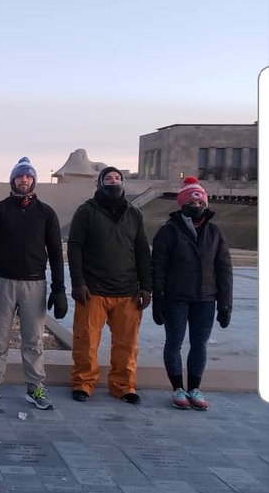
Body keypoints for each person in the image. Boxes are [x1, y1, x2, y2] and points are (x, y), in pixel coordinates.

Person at [0, 157, 67, 416]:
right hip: (3, 281)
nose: (24, 180)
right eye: (19, 176)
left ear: (33, 180)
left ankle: (35, 386)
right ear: (13, 180)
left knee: (33, 340)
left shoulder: (46, 213)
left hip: (34, 283)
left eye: (28, 176)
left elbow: (56, 252)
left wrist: (59, 288)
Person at [68, 166, 152, 404]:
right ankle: (83, 383)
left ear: (123, 183)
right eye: (108, 178)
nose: (113, 182)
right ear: (99, 183)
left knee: (127, 345)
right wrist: (78, 282)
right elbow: (75, 247)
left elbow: (142, 252)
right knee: (86, 342)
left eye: (117, 178)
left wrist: (146, 286)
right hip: (92, 291)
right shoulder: (86, 211)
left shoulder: (134, 214)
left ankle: (123, 385)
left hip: (127, 292)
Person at [151, 176, 233, 410]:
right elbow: (158, 267)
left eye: (199, 203)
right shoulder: (168, 232)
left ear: (205, 204)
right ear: (182, 204)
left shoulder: (215, 233)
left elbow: (224, 269)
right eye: (191, 202)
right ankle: (177, 387)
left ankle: (194, 388)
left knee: (200, 344)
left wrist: (226, 303)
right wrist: (159, 298)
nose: (196, 207)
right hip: (176, 298)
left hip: (205, 299)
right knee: (174, 342)